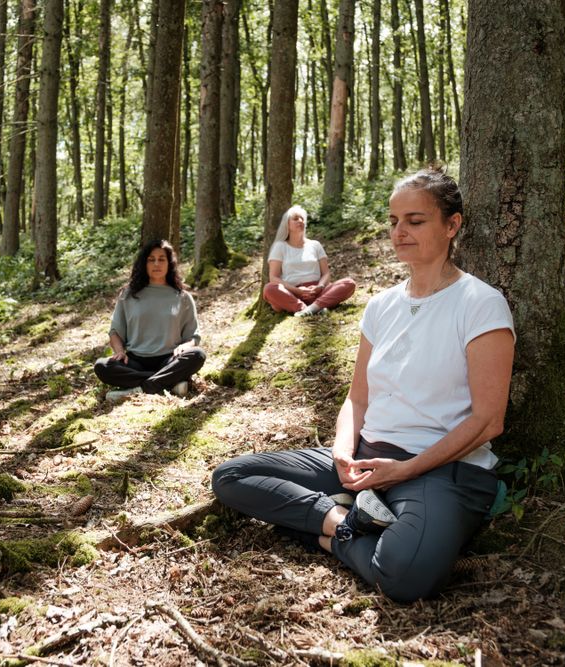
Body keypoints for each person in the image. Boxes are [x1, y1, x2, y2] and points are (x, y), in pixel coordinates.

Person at [212, 167, 516, 602]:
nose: (399, 232)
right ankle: (342, 520)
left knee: (407, 577)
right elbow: (358, 396)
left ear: (452, 225)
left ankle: (325, 532)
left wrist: (406, 470)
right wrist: (341, 450)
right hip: (366, 457)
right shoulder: (381, 306)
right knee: (233, 475)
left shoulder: (481, 304)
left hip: (438, 470)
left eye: (415, 221)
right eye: (393, 221)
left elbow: (489, 422)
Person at [94, 239, 206, 403]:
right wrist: (119, 352)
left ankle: (140, 388)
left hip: (169, 360)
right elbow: (115, 332)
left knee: (197, 355)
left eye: (161, 259)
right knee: (102, 366)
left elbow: (193, 337)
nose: (156, 264)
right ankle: (168, 384)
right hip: (135, 362)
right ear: (144, 264)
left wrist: (185, 346)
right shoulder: (129, 295)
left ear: (169, 264)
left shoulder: (182, 297)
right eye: (151, 259)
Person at [263, 205, 357, 317]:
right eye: (295, 219)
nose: (300, 221)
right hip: (292, 293)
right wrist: (298, 291)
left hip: (318, 292)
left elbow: (326, 273)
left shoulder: (315, 245)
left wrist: (320, 286)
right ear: (286, 224)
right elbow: (274, 278)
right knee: (269, 288)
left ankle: (312, 308)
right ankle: (303, 308)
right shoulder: (280, 246)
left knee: (349, 283)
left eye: (302, 219)